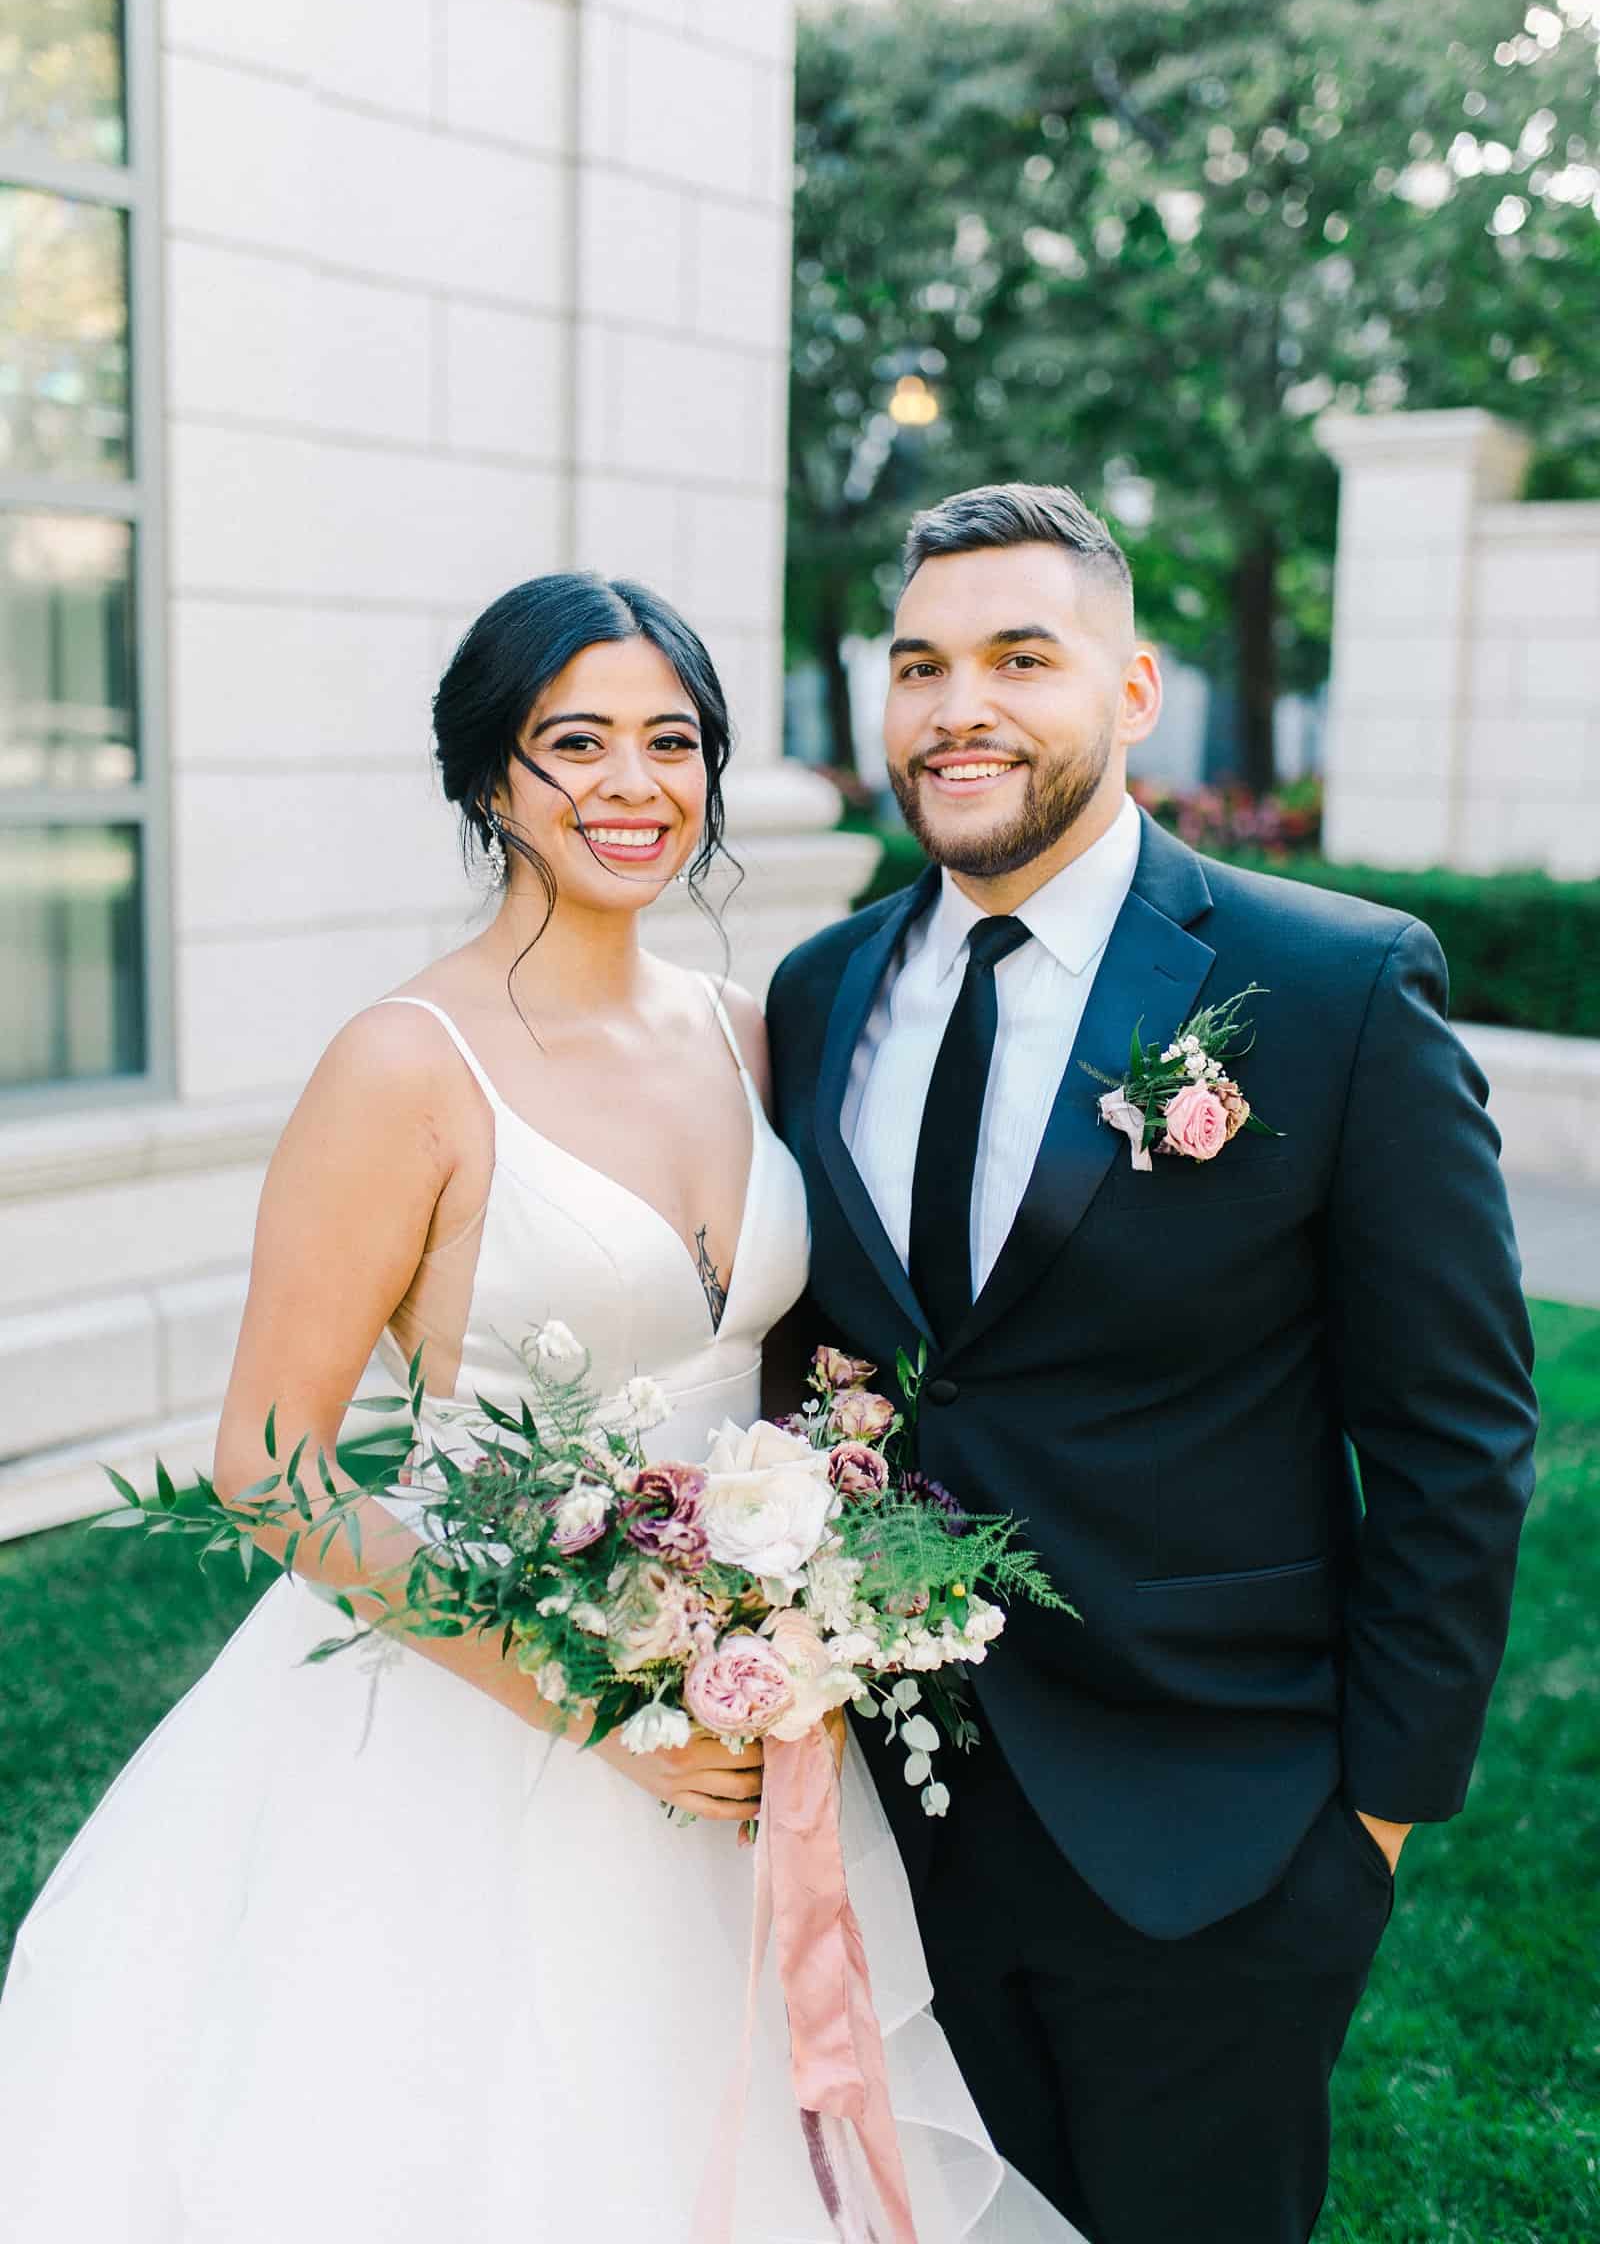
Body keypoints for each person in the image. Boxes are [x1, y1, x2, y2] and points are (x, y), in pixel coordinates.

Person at [0, 574, 1077, 2244]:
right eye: (575, 743)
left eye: (672, 741)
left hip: (744, 1689)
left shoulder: (744, 1031)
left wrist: (806, 1590)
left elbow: (785, 1372)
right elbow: (270, 1463)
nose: (632, 787)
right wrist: (582, 1696)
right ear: (490, 778)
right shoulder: (405, 1065)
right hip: (479, 1696)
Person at [765, 482, 1539, 2244]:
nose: (958, 706)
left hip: (1219, 1828)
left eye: (1020, 658)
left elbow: (1457, 1435)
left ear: (1132, 693)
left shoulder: (1330, 984)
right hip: (895, 1810)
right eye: (920, 664)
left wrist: (1374, 1825)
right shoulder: (818, 995)